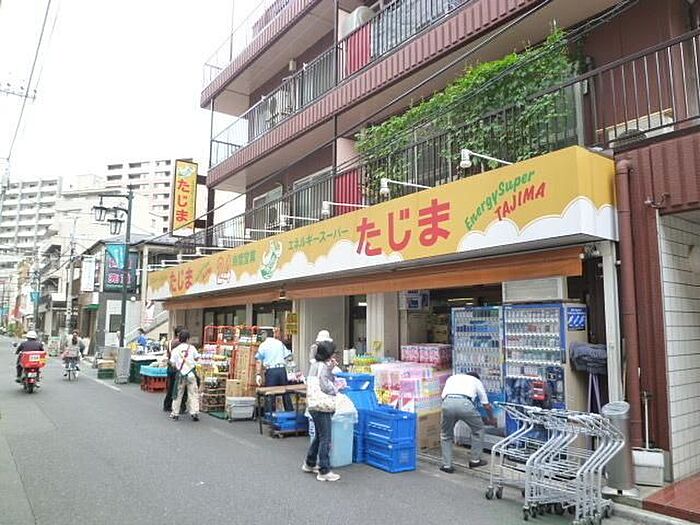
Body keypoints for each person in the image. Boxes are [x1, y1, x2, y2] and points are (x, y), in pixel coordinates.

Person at [439, 371, 495, 473]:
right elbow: (486, 405)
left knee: (446, 435)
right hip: (465, 404)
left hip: (447, 403)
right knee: (478, 430)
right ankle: (475, 460)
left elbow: (443, 396)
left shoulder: (452, 378)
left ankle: (447, 465)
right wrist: (491, 419)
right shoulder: (476, 381)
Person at [303, 340, 340, 482]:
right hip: (322, 406)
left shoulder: (314, 365)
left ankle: (310, 463)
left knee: (319, 436)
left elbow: (320, 379)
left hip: (313, 405)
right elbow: (325, 386)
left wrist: (330, 368)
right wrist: (336, 389)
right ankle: (324, 470)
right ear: (327, 354)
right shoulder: (322, 367)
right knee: (326, 438)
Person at [254, 329, 293, 414]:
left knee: (270, 394)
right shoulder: (279, 343)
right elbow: (288, 357)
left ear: (265, 335)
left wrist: (258, 374)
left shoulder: (263, 345)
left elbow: (259, 361)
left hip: (271, 371)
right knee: (285, 393)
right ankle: (290, 413)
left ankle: (270, 415)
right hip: (282, 370)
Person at [169, 329, 200, 422]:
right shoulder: (192, 348)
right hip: (191, 374)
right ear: (187, 339)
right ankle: (194, 412)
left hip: (180, 375)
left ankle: (175, 413)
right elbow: (197, 358)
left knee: (178, 394)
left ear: (179, 339)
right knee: (193, 393)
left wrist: (178, 366)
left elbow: (172, 363)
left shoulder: (175, 350)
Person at [163, 325, 186, 413]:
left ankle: (167, 405)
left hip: (170, 366)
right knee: (179, 388)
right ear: (179, 333)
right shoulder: (179, 343)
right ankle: (179, 407)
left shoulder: (169, 342)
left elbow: (168, 354)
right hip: (177, 367)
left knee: (171, 387)